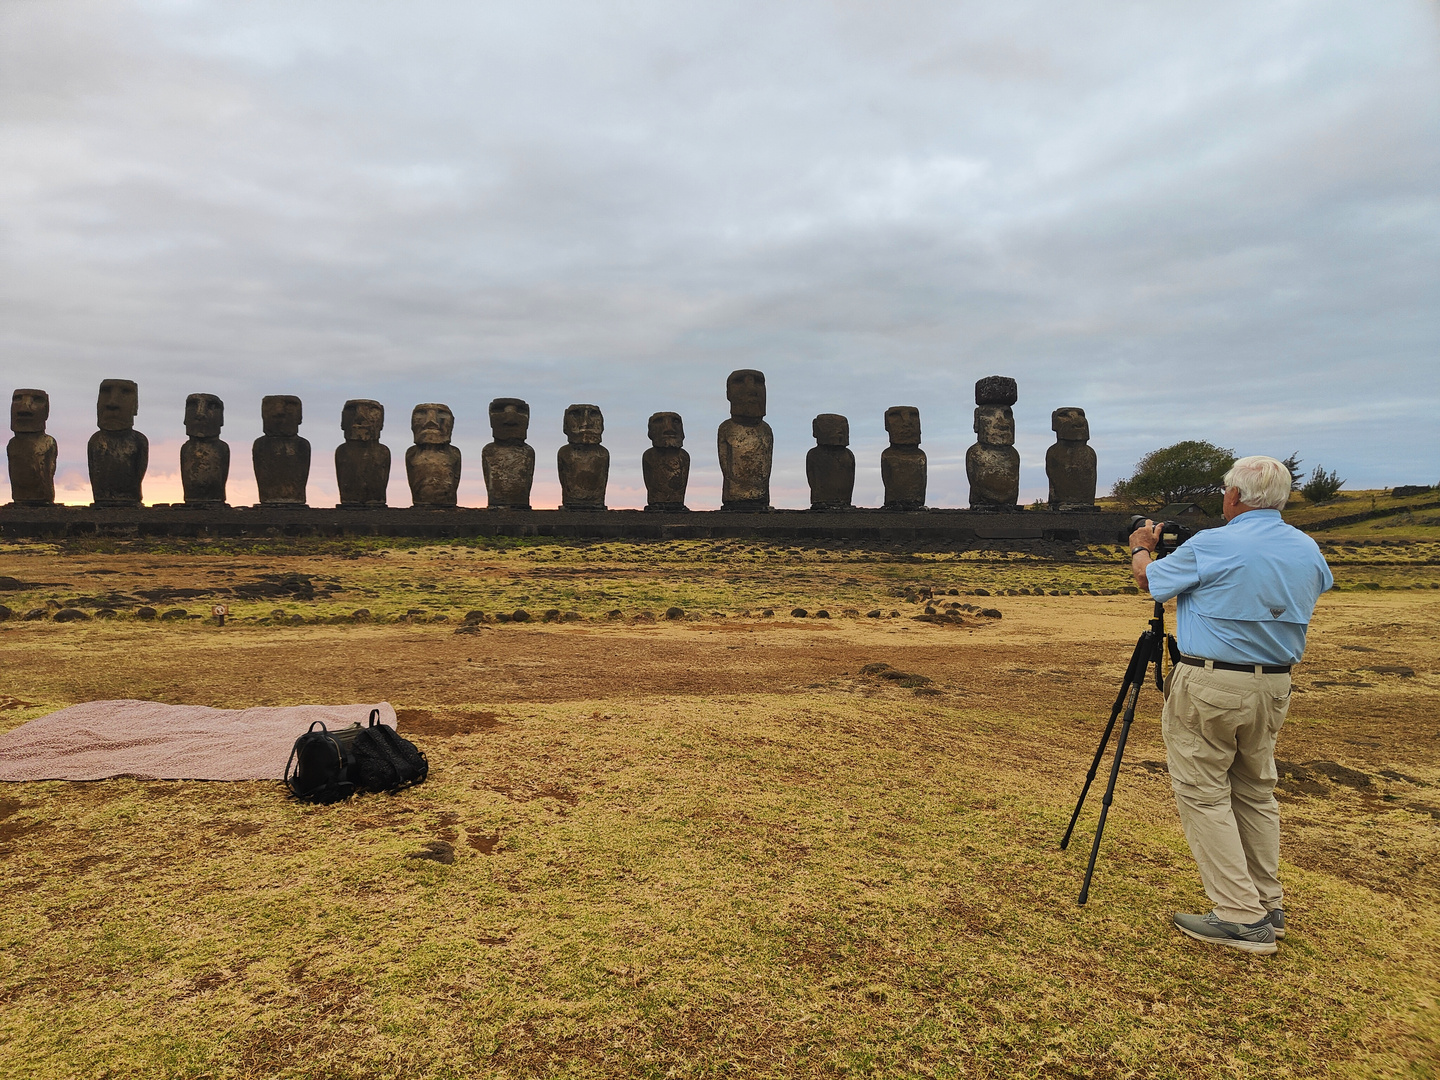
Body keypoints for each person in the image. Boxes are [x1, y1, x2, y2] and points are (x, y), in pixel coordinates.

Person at [1129, 456, 1333, 955]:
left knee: (1202, 791)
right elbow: (1319, 586)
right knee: (1256, 791)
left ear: (1236, 497)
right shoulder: (1306, 547)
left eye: (1226, 491)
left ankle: (1240, 915)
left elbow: (1149, 583)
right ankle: (1267, 903)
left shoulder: (1215, 543)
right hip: (1275, 684)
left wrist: (1140, 548)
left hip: (1213, 681)